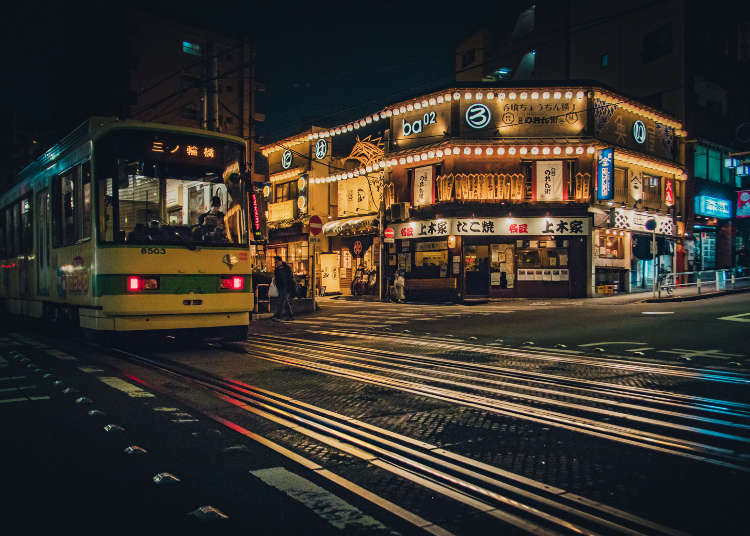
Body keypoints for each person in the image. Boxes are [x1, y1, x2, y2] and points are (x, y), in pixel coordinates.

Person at [273, 256, 295, 321]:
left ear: (280, 261)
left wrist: (289, 286)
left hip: (287, 287)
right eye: (275, 262)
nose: (276, 263)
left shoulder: (287, 268)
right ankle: (290, 316)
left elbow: (290, 277)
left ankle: (278, 316)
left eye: (276, 262)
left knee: (282, 301)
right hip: (280, 287)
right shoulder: (276, 270)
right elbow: (276, 279)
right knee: (284, 301)